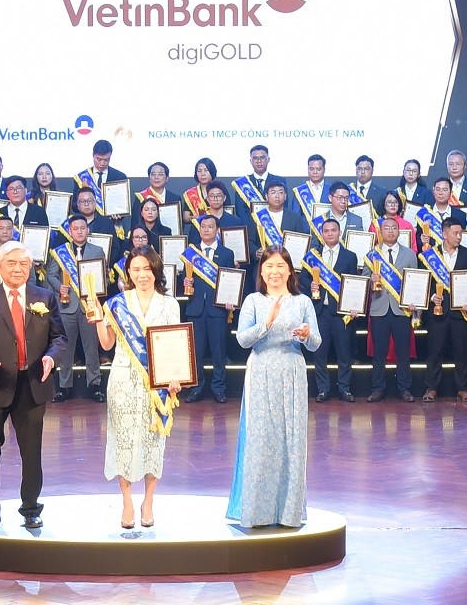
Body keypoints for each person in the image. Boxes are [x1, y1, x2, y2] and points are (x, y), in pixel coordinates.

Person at [0, 241, 66, 530]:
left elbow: (59, 338)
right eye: (11, 263)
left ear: (31, 267)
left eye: (23, 264)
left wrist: (51, 357)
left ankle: (31, 509)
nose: (18, 269)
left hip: (33, 384)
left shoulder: (45, 298)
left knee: (31, 452)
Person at [227, 245, 321, 529]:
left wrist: (306, 335)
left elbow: (316, 343)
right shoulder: (253, 301)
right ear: (262, 271)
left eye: (280, 265)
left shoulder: (302, 302)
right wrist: (266, 323)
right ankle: (257, 512)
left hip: (292, 371)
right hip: (261, 371)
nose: (275, 271)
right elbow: (243, 340)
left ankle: (289, 513)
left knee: (291, 439)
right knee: (261, 439)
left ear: (290, 270)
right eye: (269, 266)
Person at [94, 247, 181, 530]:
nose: (142, 274)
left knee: (153, 441)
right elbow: (107, 344)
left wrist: (175, 377)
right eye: (136, 269)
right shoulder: (117, 304)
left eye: (147, 268)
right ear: (128, 273)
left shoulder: (169, 305)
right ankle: (127, 502)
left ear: (156, 270)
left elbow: (174, 345)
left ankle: (149, 501)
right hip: (122, 379)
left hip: (157, 382)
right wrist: (98, 320)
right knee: (123, 441)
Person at [45, 215, 107, 402]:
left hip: (89, 305)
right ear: (70, 231)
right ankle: (64, 387)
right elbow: (50, 275)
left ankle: (95, 385)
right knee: (66, 349)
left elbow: (103, 276)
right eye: (75, 228)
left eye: (82, 228)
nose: (79, 231)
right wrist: (59, 287)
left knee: (91, 347)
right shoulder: (60, 252)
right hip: (67, 306)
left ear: (88, 230)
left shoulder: (97, 251)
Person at [419, 217, 467, 402]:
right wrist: (432, 297)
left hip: (460, 312)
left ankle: (463, 388)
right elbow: (424, 281)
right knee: (434, 351)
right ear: (444, 234)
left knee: (461, 351)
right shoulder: (431, 255)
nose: (459, 236)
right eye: (455, 233)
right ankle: (431, 388)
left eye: (461, 233)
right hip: (437, 311)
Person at [300, 217, 358, 402]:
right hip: (319, 311)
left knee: (344, 353)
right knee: (320, 353)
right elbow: (302, 279)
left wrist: (354, 306)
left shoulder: (350, 256)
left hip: (341, 313)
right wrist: (311, 285)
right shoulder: (313, 256)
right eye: (326, 231)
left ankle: (344, 388)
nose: (330, 234)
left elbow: (354, 284)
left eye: (333, 230)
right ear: (322, 234)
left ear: (339, 233)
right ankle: (323, 389)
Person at [181, 214, 235, 403]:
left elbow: (230, 280)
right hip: (195, 309)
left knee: (219, 351)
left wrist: (230, 299)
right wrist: (185, 282)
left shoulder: (226, 253)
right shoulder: (191, 253)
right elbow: (183, 280)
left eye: (210, 226)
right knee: (195, 352)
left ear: (217, 230)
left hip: (217, 310)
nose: (206, 229)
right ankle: (196, 388)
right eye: (203, 226)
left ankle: (219, 388)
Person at [367, 216, 419, 402]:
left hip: (401, 310)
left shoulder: (410, 255)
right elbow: (364, 282)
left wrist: (415, 307)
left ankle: (404, 388)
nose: (390, 231)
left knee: (403, 352)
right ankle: (377, 389)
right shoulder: (372, 254)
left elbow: (416, 282)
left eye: (393, 228)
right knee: (379, 353)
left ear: (399, 232)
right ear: (380, 231)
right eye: (386, 228)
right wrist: (371, 281)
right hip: (379, 308)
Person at [232, 143, 287, 217]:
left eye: (262, 157)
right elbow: (240, 211)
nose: (259, 161)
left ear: (268, 160)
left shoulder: (280, 181)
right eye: (255, 158)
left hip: (274, 223)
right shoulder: (242, 184)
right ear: (251, 161)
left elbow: (284, 207)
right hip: (249, 223)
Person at [289, 153, 328, 225]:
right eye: (311, 169)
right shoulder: (300, 191)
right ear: (308, 170)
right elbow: (295, 217)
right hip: (305, 231)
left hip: (328, 230)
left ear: (324, 170)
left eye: (318, 169)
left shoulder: (331, 189)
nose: (315, 172)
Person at [182, 157, 217, 225]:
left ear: (212, 172)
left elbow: (228, 211)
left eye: (206, 170)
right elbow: (185, 217)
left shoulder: (220, 191)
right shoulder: (190, 194)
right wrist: (195, 218)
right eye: (199, 171)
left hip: (217, 228)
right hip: (197, 228)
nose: (203, 174)